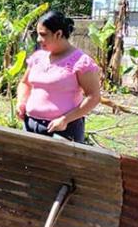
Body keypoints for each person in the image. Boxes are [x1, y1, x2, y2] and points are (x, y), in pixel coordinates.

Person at [15, 11, 101, 143]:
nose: (38, 39)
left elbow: (93, 97)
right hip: (30, 125)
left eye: (43, 35)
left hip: (64, 130)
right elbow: (25, 83)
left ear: (58, 34)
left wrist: (65, 119)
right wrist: (21, 102)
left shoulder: (80, 62)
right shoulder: (37, 57)